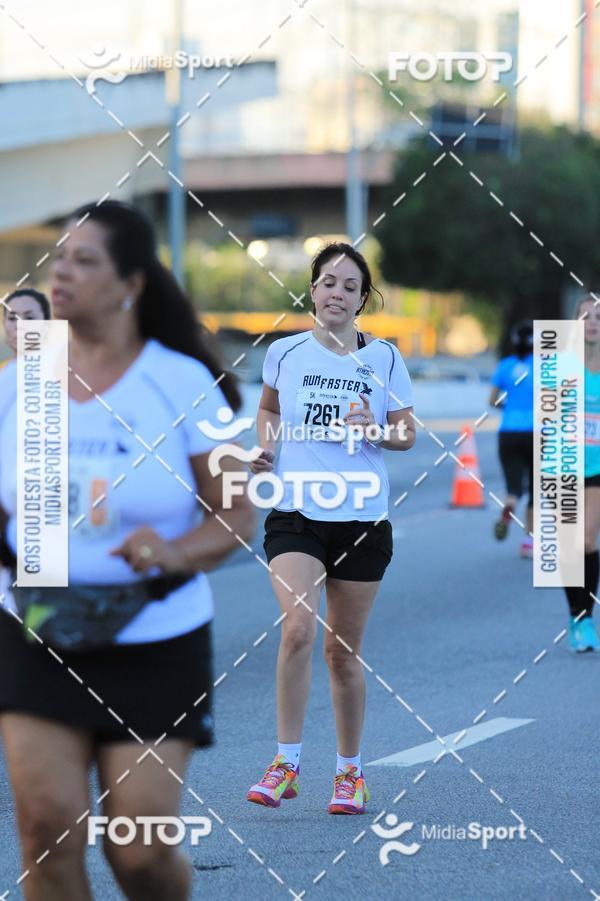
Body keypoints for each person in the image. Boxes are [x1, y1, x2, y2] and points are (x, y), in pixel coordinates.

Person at [0, 200, 255, 900]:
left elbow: (236, 514)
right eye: (60, 258)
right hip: (38, 626)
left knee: (138, 849)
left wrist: (174, 550)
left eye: (85, 260)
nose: (63, 273)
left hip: (155, 634)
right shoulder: (19, 385)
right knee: (45, 828)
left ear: (131, 282)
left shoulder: (181, 383)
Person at [246, 242, 415, 815]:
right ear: (311, 291)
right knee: (297, 628)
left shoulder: (385, 359)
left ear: (363, 299)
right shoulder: (285, 353)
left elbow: (406, 435)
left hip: (363, 519)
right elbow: (269, 411)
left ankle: (349, 772)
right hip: (296, 513)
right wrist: (265, 450)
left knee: (342, 654)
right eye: (328, 282)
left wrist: (376, 430)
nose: (337, 293)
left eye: (349, 286)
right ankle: (285, 762)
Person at [565, 295, 600, 652]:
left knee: (588, 540)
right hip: (566, 465)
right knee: (572, 544)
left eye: (599, 317)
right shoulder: (560, 366)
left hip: (598, 468)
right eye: (585, 317)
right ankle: (577, 616)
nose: (592, 323)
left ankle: (585, 618)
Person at [489, 322, 534, 558]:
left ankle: (510, 504)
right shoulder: (545, 367)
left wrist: (510, 407)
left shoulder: (505, 366)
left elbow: (492, 400)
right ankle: (529, 541)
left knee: (513, 486)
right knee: (537, 490)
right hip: (538, 432)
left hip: (508, 431)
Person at [0, 288, 51, 370]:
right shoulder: (3, 372)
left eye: (29, 318)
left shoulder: (60, 372)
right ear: (3, 323)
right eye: (12, 318)